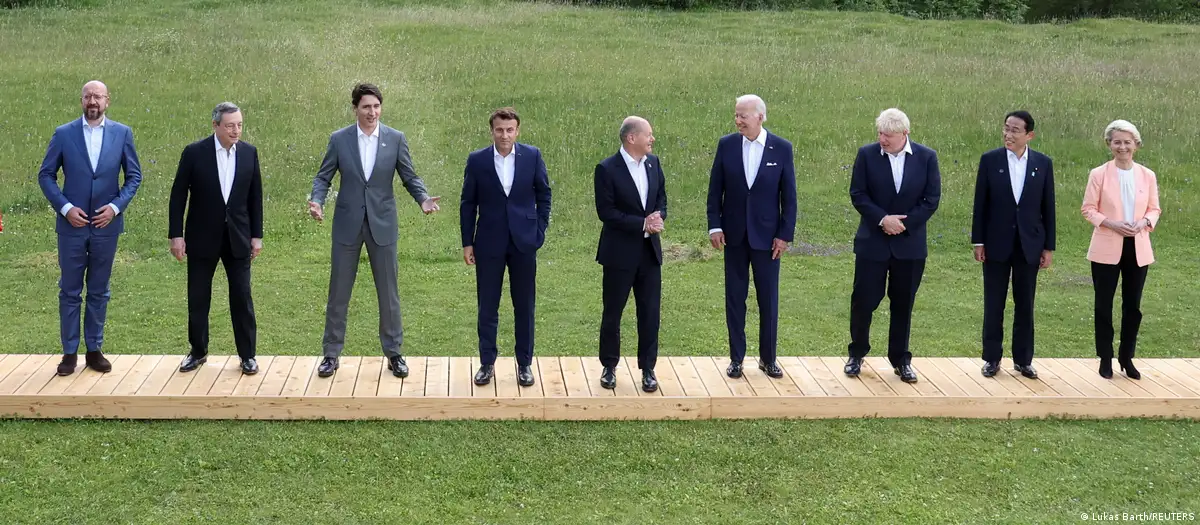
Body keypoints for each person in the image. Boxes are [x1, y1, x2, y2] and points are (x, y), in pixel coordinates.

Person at [308, 83, 441, 378]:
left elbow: (409, 175)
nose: (372, 112)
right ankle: (331, 354)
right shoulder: (339, 139)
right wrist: (317, 200)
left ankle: (394, 353)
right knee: (339, 291)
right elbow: (323, 177)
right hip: (347, 225)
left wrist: (423, 199)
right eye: (366, 107)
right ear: (355, 108)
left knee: (389, 292)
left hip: (383, 224)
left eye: (376, 106)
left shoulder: (395, 139)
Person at [37, 80, 142, 376]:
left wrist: (115, 207)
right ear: (81, 100)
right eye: (87, 96)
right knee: (70, 290)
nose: (92, 101)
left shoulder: (122, 134)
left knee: (99, 290)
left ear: (107, 100)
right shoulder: (64, 134)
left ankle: (94, 350)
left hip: (106, 226)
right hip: (71, 227)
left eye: (97, 96)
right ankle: (69, 353)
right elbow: (46, 175)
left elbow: (134, 176)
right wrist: (66, 208)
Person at [845, 108, 941, 384]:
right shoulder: (867, 155)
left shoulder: (926, 157)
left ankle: (901, 360)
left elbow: (931, 199)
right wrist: (882, 219)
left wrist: (904, 224)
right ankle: (856, 354)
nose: (882, 139)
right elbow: (858, 193)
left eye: (888, 135)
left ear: (904, 134)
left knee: (903, 303)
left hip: (909, 246)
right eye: (880, 133)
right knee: (864, 301)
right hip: (872, 244)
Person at [168, 102, 264, 375]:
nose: (236, 130)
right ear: (215, 125)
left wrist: (256, 236)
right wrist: (176, 235)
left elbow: (255, 197)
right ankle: (198, 351)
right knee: (198, 297)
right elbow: (178, 195)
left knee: (242, 296)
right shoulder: (194, 153)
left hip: (238, 238)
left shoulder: (249, 153)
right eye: (230, 125)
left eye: (240, 125)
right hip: (201, 237)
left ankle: (247, 355)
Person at [706, 94, 796, 379]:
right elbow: (715, 190)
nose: (738, 121)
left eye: (743, 115)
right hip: (733, 236)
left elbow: (789, 197)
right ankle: (736, 358)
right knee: (735, 298)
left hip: (767, 240)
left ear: (760, 116)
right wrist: (714, 226)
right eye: (736, 115)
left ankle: (768, 359)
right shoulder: (727, 145)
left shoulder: (781, 148)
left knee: (768, 299)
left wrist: (784, 235)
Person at [460, 107, 551, 387]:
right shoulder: (477, 160)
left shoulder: (532, 156)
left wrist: (539, 230)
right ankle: (487, 363)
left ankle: (524, 364)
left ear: (517, 131)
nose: (504, 135)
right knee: (487, 305)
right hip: (489, 242)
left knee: (524, 305)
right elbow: (468, 203)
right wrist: (467, 242)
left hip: (524, 241)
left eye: (510, 130)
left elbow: (544, 194)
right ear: (492, 131)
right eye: (499, 130)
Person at [970, 110, 1056, 379]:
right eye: (1006, 128)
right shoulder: (990, 160)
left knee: (1025, 303)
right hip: (996, 243)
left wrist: (1048, 247)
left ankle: (1023, 359)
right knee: (994, 302)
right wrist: (978, 241)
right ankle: (992, 358)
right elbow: (980, 204)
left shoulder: (1042, 163)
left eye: (1015, 130)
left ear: (1029, 135)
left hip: (1029, 244)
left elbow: (1048, 207)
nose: (1008, 134)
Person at [1082, 119, 1161, 380]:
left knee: (1133, 305)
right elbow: (1088, 209)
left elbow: (1154, 209)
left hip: (1137, 246)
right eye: (1117, 142)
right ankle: (1105, 358)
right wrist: (1112, 223)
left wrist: (1144, 222)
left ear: (1136, 145)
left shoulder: (1147, 175)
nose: (1122, 147)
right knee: (1103, 304)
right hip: (1106, 245)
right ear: (1109, 144)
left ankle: (1127, 357)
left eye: (1127, 142)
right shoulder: (1099, 174)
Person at [594, 116, 666, 393]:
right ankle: (609, 366)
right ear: (631, 138)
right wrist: (641, 224)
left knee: (650, 313)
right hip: (619, 255)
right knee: (613, 312)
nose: (652, 139)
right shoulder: (606, 169)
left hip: (649, 254)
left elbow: (661, 199)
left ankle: (648, 369)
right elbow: (606, 212)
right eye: (649, 134)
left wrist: (659, 217)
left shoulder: (653, 163)